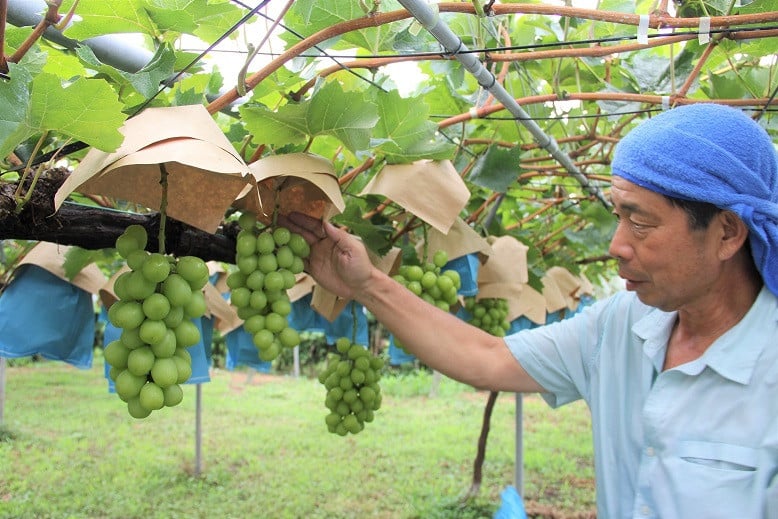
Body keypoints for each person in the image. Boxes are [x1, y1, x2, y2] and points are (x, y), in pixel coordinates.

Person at [282, 103, 778, 519]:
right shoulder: (621, 324)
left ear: (728, 234)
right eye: (617, 216)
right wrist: (367, 284)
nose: (616, 245)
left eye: (640, 223)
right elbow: (487, 357)